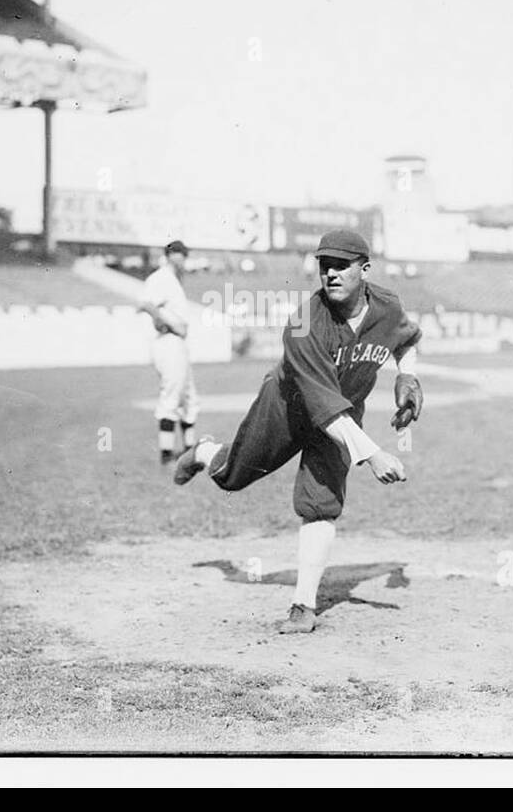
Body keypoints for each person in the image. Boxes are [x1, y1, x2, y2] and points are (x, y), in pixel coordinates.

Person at [173, 229, 423, 633]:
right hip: (287, 407)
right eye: (325, 265)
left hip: (342, 411)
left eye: (342, 265)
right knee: (232, 476)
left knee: (321, 503)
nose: (332, 274)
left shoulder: (387, 306)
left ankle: (303, 606)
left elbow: (406, 340)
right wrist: (373, 453)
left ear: (365, 269)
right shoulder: (305, 323)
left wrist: (408, 378)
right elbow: (324, 410)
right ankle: (205, 453)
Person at [139, 240, 199, 464]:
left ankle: (189, 449)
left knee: (189, 396)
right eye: (176, 253)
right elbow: (145, 303)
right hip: (167, 341)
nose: (180, 258)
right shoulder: (161, 277)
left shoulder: (173, 279)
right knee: (172, 393)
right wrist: (168, 323)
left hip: (177, 343)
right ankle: (166, 453)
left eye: (183, 254)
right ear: (168, 255)